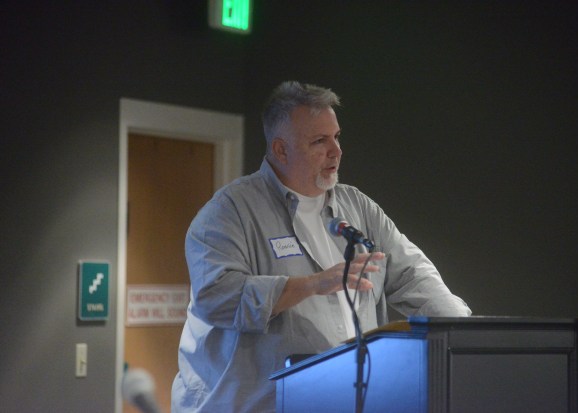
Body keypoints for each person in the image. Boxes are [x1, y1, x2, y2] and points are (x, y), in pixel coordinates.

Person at [171, 81, 471, 412]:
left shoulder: (357, 207)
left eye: (336, 137)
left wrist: (465, 332)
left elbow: (412, 273)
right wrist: (313, 284)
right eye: (319, 141)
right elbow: (217, 298)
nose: (336, 151)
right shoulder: (229, 212)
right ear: (281, 149)